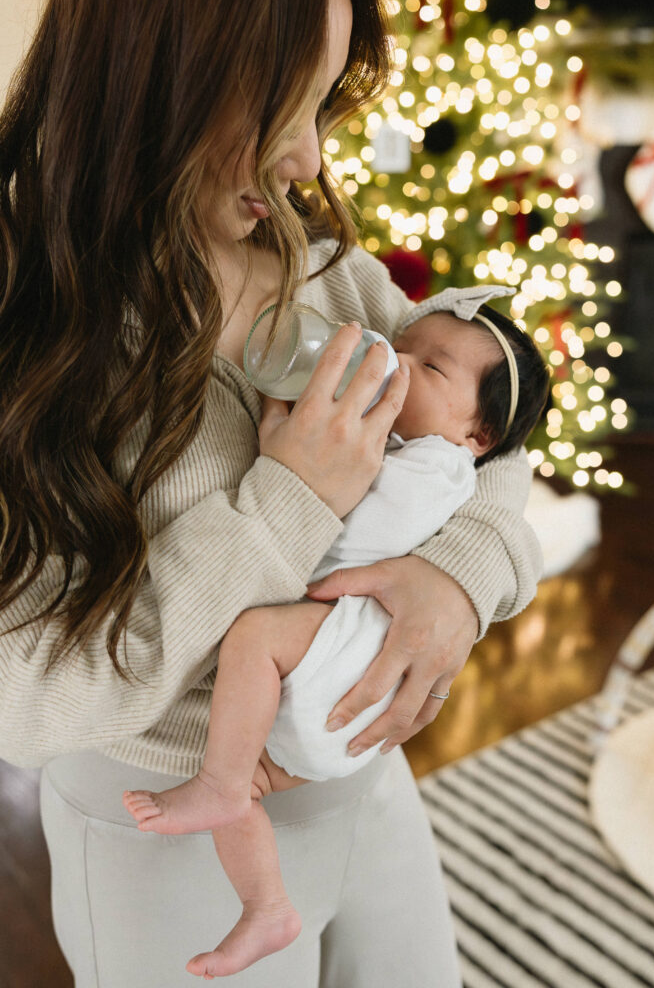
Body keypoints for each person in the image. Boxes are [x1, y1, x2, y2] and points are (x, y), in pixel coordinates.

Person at [0, 0, 544, 985]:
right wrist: (281, 510)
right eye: (275, 109)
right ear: (149, 75)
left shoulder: (313, 259)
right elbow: (21, 697)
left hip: (360, 777)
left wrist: (460, 579)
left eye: (323, 102)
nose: (308, 160)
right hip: (162, 828)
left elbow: (491, 434)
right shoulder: (27, 314)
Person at [123, 294, 550, 979]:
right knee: (246, 782)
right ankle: (265, 906)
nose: (393, 359)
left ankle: (222, 789)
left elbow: (347, 543)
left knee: (255, 639)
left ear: (478, 437)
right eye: (399, 342)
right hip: (341, 719)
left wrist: (292, 469)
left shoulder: (431, 466)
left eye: (429, 367)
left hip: (347, 662)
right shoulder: (416, 449)